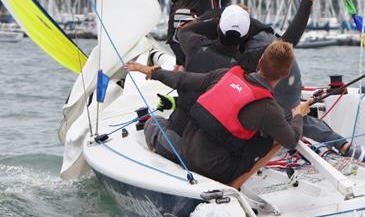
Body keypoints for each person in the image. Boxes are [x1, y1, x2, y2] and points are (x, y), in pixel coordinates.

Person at [172, 0, 365, 161]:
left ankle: (271, 137)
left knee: (273, 114)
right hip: (286, 76)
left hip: (278, 82)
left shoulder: (201, 47)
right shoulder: (255, 50)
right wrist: (307, 0)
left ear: (217, 29)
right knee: (288, 114)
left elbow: (186, 30)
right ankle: (343, 145)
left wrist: (223, 14)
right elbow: (289, 41)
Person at [126, 41, 310, 187]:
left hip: (186, 152)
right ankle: (234, 185)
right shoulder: (269, 109)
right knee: (268, 139)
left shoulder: (225, 75)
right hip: (217, 171)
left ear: (260, 62)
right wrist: (299, 114)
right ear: (285, 74)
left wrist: (151, 71)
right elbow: (291, 140)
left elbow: (182, 80)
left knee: (154, 122)